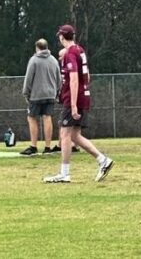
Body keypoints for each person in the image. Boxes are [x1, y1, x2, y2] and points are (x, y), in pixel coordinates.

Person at [44, 25, 114, 183]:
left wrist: (73, 104)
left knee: (65, 134)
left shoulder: (70, 53)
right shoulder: (80, 50)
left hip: (74, 99)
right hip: (84, 96)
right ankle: (103, 160)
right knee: (75, 135)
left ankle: (65, 173)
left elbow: (74, 79)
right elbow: (87, 76)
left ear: (62, 37)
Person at [20, 38, 62, 156]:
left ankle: (33, 146)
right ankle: (47, 147)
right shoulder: (53, 60)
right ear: (47, 47)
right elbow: (59, 79)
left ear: (37, 48)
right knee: (47, 118)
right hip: (50, 95)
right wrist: (57, 92)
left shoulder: (34, 60)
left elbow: (28, 78)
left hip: (36, 95)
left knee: (32, 118)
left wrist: (26, 93)